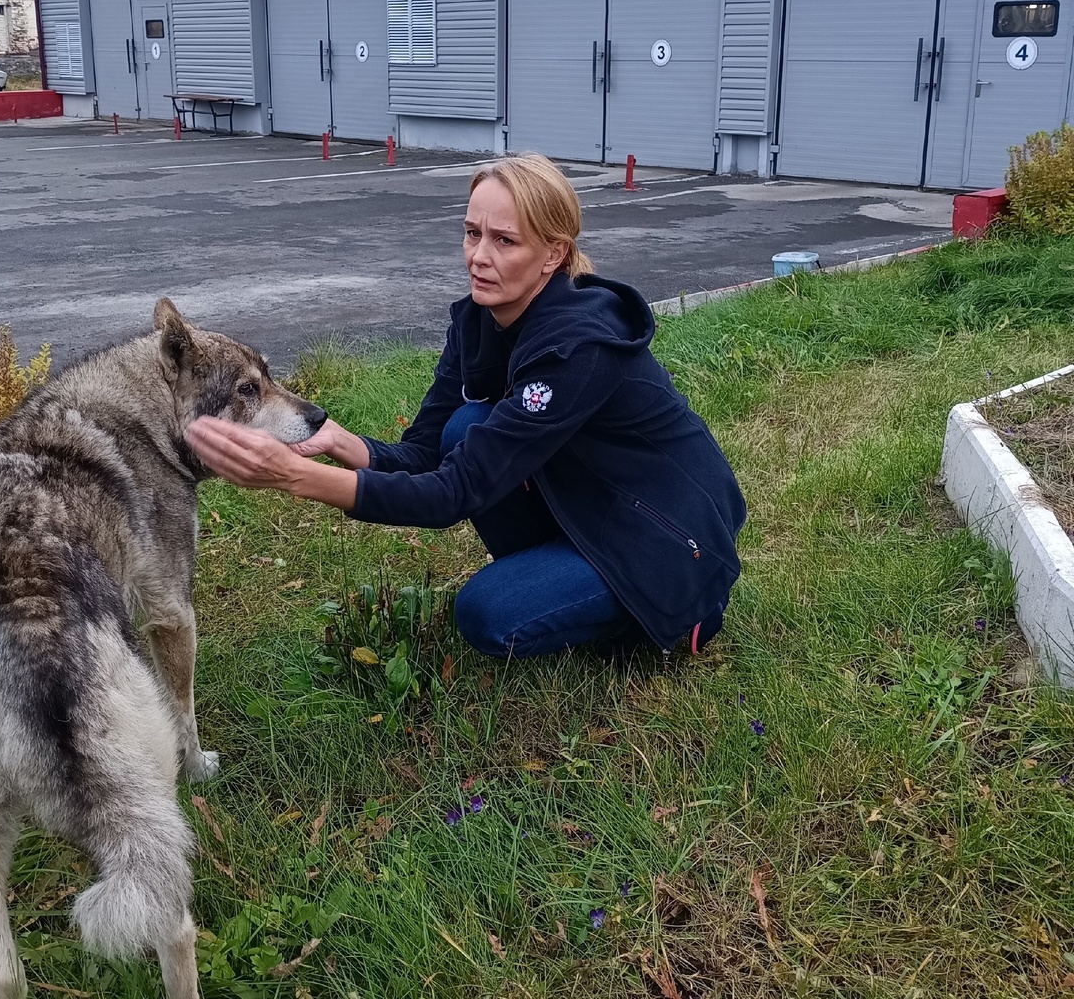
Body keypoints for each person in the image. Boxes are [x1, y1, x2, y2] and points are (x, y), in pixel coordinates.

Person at [187, 154, 746, 659]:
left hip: (670, 540)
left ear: (554, 254)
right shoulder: (480, 322)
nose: (479, 256)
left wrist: (297, 477)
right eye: (471, 233)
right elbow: (427, 451)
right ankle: (563, 578)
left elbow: (453, 494)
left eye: (504, 241)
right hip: (593, 505)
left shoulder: (577, 348)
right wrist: (333, 441)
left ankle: (662, 615)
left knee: (486, 615)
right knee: (464, 427)